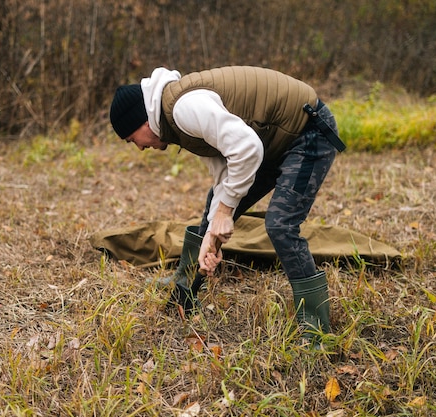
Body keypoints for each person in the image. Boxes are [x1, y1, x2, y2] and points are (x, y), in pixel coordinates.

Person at [109, 66, 345, 343]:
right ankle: (185, 287)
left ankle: (316, 330)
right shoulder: (172, 118)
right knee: (217, 202)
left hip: (307, 133)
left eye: (131, 139)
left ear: (143, 122)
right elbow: (225, 172)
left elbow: (247, 149)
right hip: (269, 140)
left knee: (280, 225)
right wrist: (213, 237)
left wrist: (224, 212)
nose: (137, 147)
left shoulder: (184, 109)